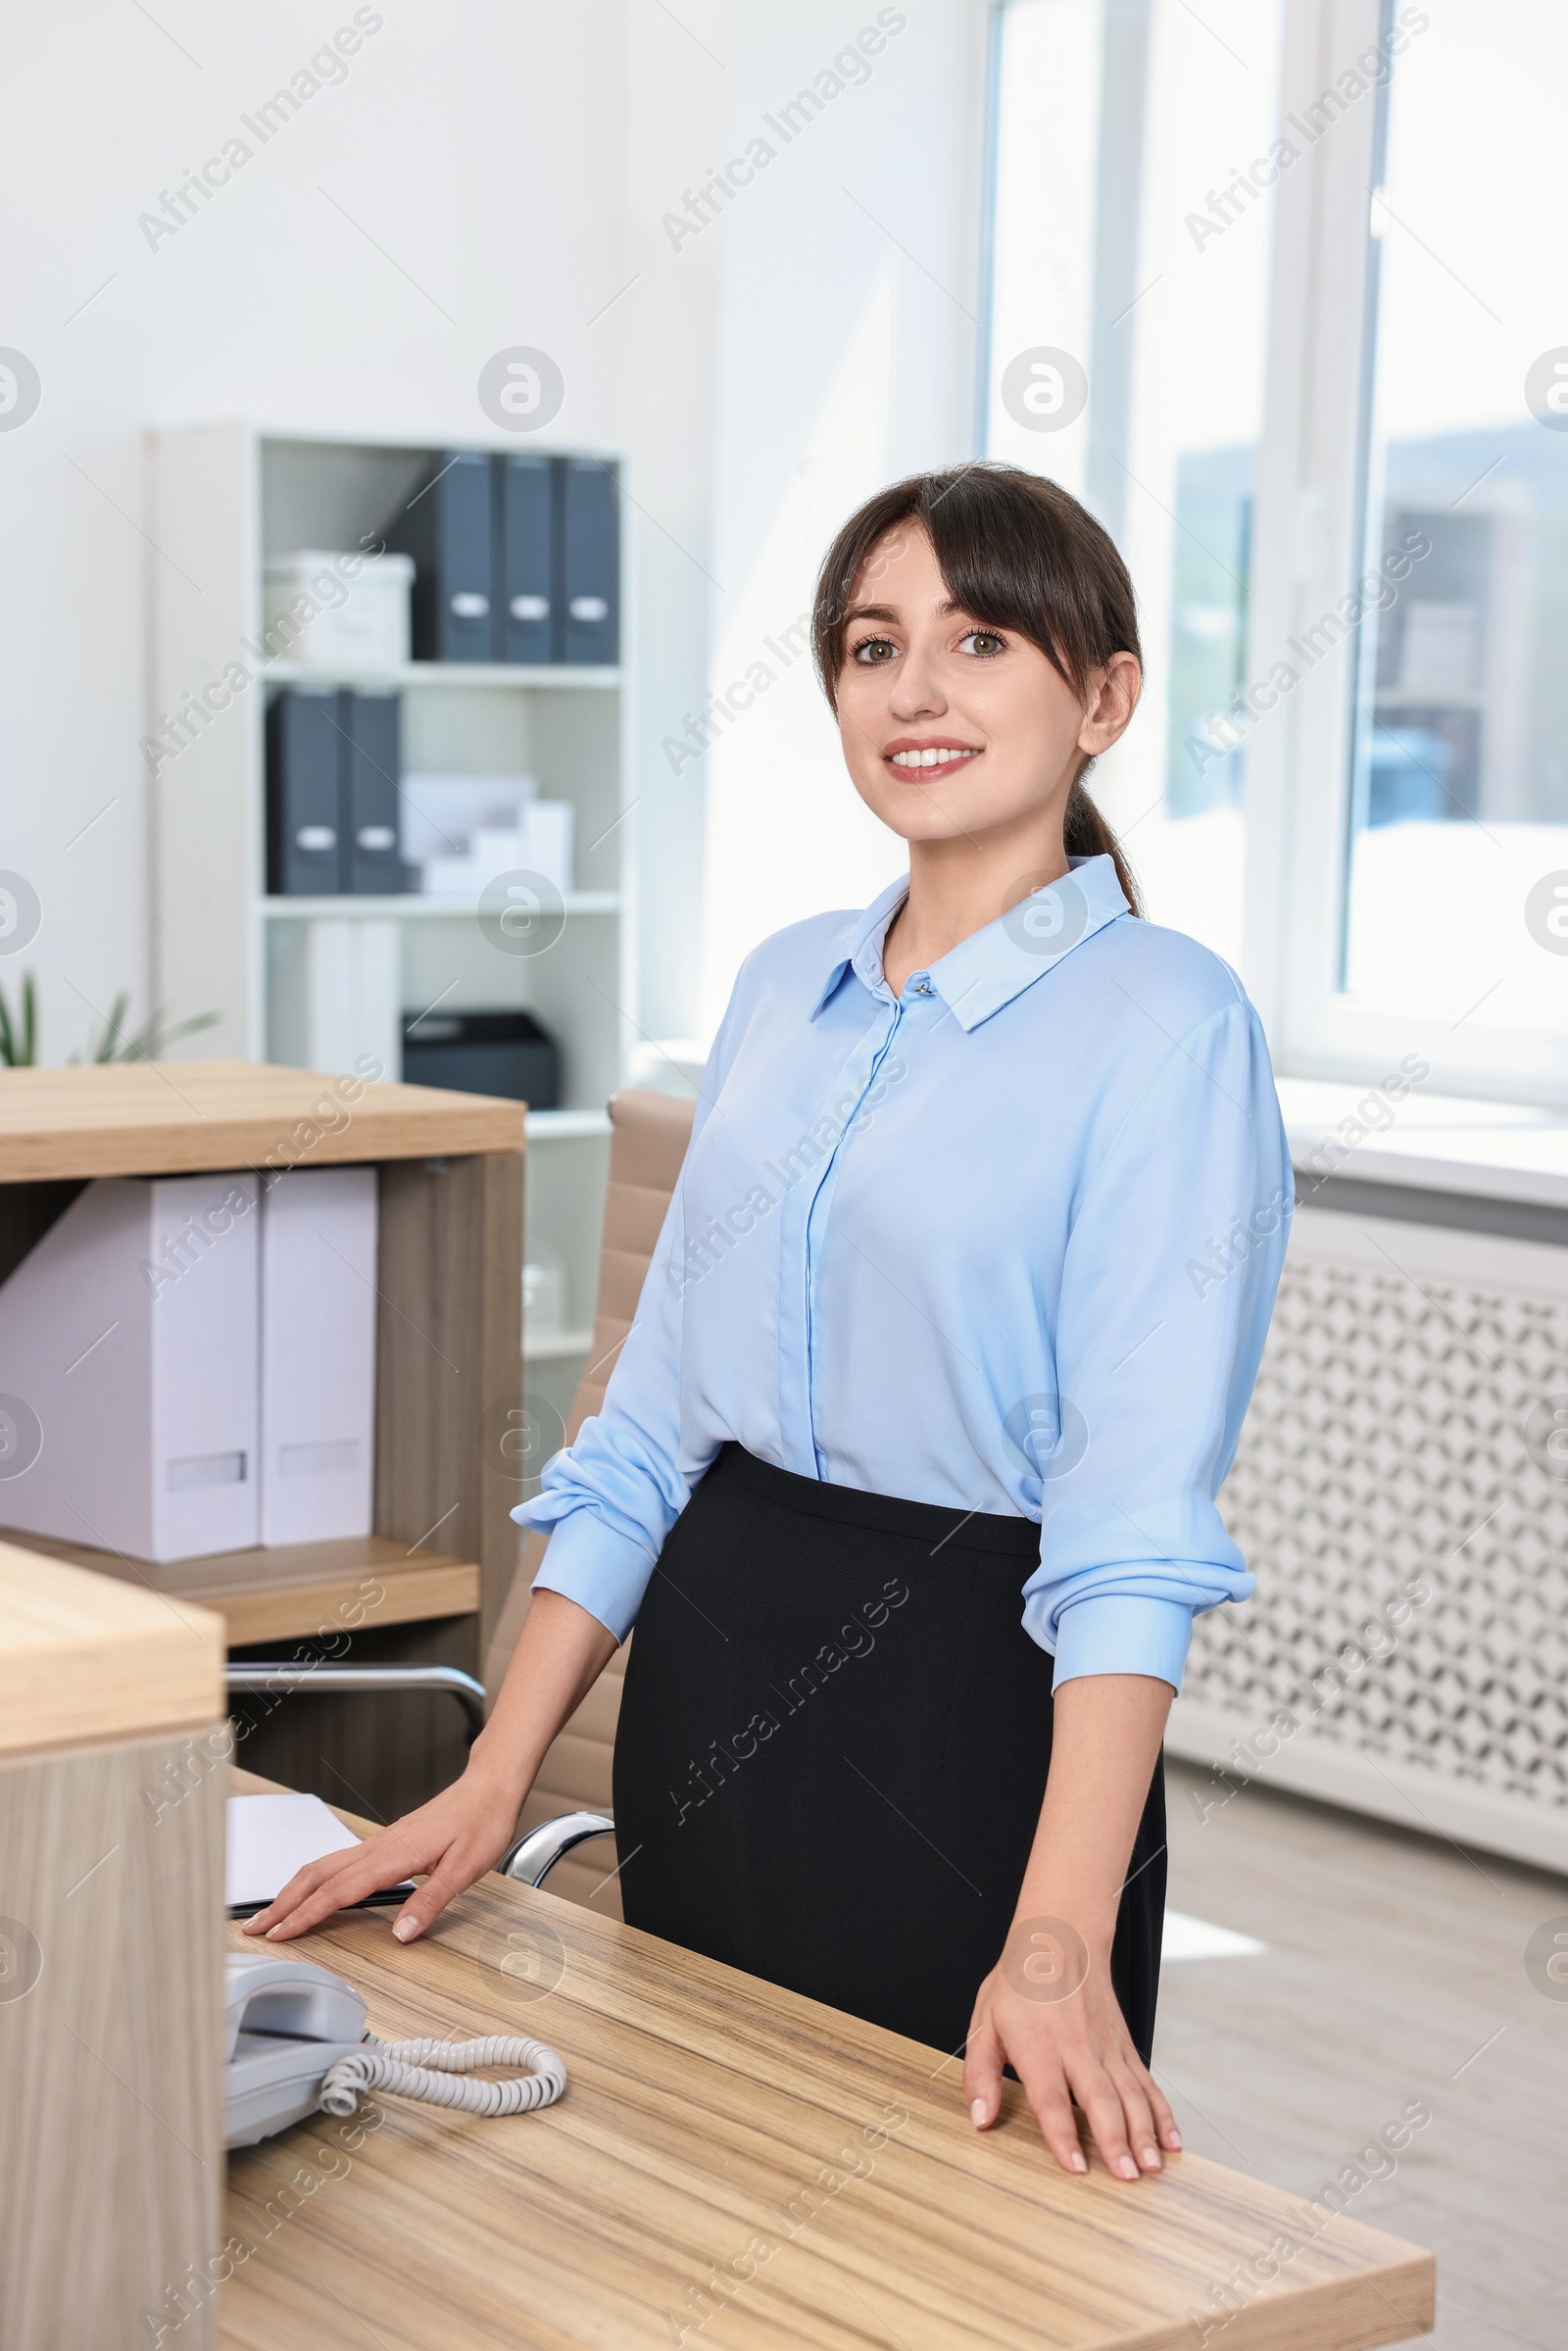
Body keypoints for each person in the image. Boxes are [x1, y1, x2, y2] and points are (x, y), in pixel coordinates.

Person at [249, 463, 1292, 2186]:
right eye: (873, 646)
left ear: (1105, 695)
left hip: (970, 1707)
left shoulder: (1168, 1024)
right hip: (715, 1668)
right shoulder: (780, 983)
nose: (916, 691)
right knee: (692, 2200)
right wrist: (491, 1778)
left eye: (980, 640)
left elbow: (1132, 1528)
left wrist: (1056, 1936)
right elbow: (650, 1430)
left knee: (950, 2252)